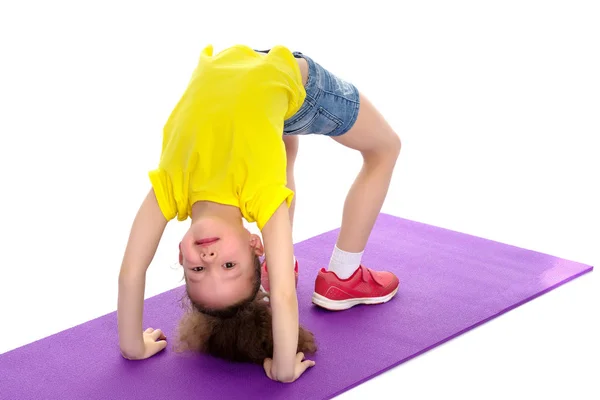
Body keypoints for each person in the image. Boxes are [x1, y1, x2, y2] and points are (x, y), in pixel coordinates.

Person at [117, 44, 401, 383]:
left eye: (197, 268)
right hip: (290, 79)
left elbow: (132, 272)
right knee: (386, 148)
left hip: (251, 73)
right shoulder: (262, 196)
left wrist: (133, 346)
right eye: (227, 266)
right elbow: (280, 292)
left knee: (282, 148)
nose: (209, 256)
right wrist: (283, 369)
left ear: (180, 252)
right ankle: (342, 277)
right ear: (256, 244)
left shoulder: (170, 187)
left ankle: (285, 262)